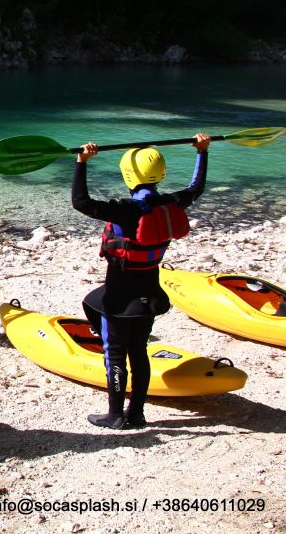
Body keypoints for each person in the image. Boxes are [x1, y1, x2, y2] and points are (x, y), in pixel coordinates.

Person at [72, 134, 210, 429]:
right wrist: (202, 152)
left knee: (115, 352)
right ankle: (137, 413)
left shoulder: (125, 209)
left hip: (120, 297)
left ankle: (115, 415)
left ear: (128, 175)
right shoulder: (172, 203)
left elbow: (80, 202)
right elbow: (196, 187)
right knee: (137, 349)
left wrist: (81, 163)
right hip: (149, 292)